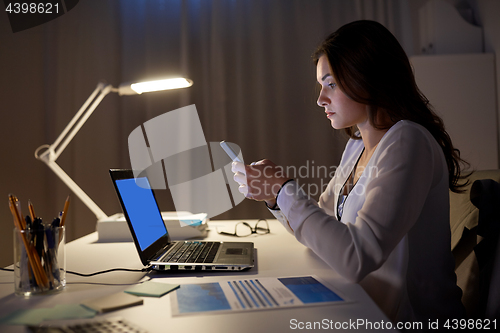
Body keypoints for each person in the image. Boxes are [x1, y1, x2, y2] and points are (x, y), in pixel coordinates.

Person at [231, 20, 466, 324]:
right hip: (365, 309)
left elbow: (357, 258)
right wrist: (275, 199)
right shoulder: (357, 145)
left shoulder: (409, 141)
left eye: (331, 84)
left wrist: (283, 190)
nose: (320, 99)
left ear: (367, 78)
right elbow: (324, 230)